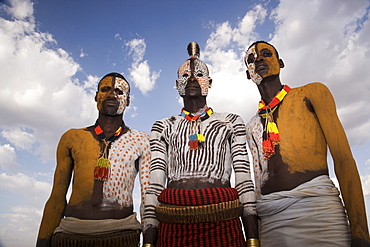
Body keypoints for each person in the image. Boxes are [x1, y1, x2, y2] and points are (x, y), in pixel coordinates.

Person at [244, 40, 370, 246]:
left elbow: (344, 160)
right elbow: (258, 182)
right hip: (270, 220)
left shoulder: (311, 93)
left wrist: (360, 233)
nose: (258, 58)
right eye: (251, 59)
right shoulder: (252, 125)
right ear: (248, 73)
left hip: (318, 212)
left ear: (280, 63)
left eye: (266, 54)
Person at [142, 42, 258, 247]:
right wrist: (149, 241)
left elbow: (243, 178)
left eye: (200, 75)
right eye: (185, 76)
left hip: (223, 219)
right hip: (173, 221)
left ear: (209, 82)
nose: (193, 79)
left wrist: (252, 237)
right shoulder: (163, 126)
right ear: (177, 84)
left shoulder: (230, 122)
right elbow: (155, 184)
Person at [36, 72, 151, 247]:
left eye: (119, 91)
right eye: (105, 89)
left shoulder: (142, 141)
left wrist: (149, 242)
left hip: (122, 235)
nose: (112, 94)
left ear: (127, 101)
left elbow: (148, 198)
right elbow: (57, 197)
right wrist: (42, 241)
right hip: (70, 234)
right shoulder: (72, 137)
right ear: (96, 96)